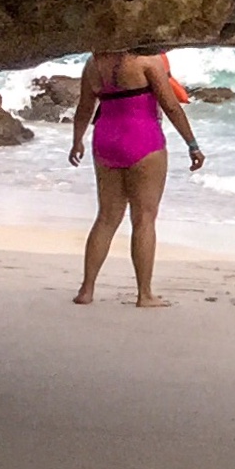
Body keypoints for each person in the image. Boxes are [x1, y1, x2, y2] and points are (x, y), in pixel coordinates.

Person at [68, 47, 205, 307]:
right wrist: (192, 144)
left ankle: (86, 289)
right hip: (143, 139)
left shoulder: (93, 64)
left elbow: (84, 108)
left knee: (106, 217)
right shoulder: (147, 61)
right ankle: (145, 294)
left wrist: (77, 141)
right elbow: (171, 106)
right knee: (144, 218)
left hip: (105, 139)